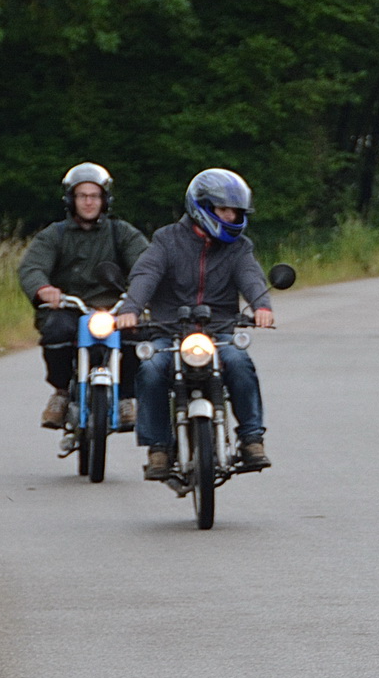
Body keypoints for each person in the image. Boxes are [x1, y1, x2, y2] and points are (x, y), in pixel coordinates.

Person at [113, 168, 276, 478]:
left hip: (219, 331)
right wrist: (131, 308)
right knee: (150, 369)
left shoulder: (239, 247)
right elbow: (146, 274)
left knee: (239, 362)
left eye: (235, 211)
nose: (230, 216)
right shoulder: (166, 239)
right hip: (169, 330)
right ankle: (158, 446)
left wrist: (262, 306)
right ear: (201, 206)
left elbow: (251, 277)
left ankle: (252, 439)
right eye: (223, 209)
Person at [17, 163, 150, 429]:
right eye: (82, 196)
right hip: (69, 307)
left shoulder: (121, 232)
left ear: (105, 199)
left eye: (94, 196)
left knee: (138, 332)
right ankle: (62, 393)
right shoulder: (54, 235)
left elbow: (146, 264)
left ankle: (126, 397)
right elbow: (32, 267)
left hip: (115, 308)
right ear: (71, 199)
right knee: (56, 331)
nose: (88, 202)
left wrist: (138, 293)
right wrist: (44, 289)